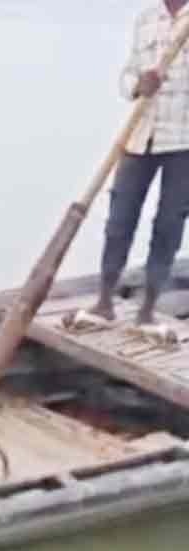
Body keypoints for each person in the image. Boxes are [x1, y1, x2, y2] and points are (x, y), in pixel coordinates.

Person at [65, 0, 189, 341]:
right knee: (119, 220)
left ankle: (147, 312)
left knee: (168, 224)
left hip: (183, 141)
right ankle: (104, 303)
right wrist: (139, 85)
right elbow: (127, 77)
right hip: (140, 136)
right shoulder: (147, 19)